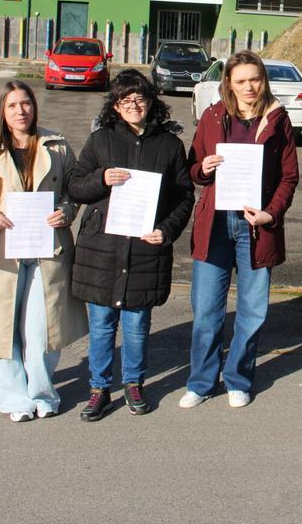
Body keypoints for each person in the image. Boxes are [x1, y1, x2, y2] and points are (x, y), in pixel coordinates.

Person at [68, 69, 194, 421]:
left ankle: (134, 383)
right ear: (115, 105)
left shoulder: (170, 145)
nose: (133, 105)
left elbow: (184, 196)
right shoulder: (100, 140)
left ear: (151, 101)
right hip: (102, 251)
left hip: (145, 249)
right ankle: (98, 389)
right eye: (125, 100)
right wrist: (101, 179)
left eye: (140, 98)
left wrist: (166, 230)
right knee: (103, 324)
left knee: (138, 324)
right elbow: (76, 187)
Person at [0, 80, 88, 422]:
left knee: (42, 330)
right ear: (2, 112)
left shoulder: (58, 146)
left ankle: (43, 393)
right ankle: (15, 399)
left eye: (26, 103)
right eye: (13, 105)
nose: (21, 111)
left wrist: (67, 210)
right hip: (1, 254)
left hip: (47, 251)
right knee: (2, 332)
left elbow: (73, 191)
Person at [183, 50, 299, 409]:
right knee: (206, 310)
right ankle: (201, 382)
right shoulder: (213, 116)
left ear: (263, 80)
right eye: (241, 81)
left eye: (255, 79)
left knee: (252, 311)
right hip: (215, 224)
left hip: (256, 227)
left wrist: (270, 213)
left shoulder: (278, 120)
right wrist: (204, 167)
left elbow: (289, 176)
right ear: (228, 84)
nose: (249, 87)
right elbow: (193, 169)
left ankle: (238, 378)